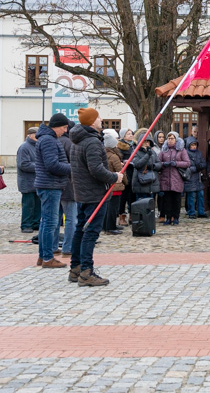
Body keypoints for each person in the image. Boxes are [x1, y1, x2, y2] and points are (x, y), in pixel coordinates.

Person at [68, 108, 123, 286]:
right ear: (92, 121)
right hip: (93, 194)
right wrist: (115, 177)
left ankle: (75, 268)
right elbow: (96, 169)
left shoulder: (78, 139)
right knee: (90, 232)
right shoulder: (91, 141)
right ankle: (86, 272)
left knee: (80, 229)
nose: (101, 119)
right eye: (98, 117)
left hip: (83, 192)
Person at [35, 113, 73, 267]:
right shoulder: (49, 140)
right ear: (56, 126)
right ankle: (47, 258)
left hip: (49, 185)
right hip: (50, 185)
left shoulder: (46, 138)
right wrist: (72, 168)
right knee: (50, 223)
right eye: (64, 127)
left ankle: (43, 256)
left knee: (46, 222)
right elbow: (52, 165)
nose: (65, 131)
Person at [158, 131, 189, 225]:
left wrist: (176, 164)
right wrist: (164, 164)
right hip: (166, 179)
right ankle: (168, 217)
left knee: (176, 200)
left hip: (177, 179)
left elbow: (187, 163)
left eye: (172, 138)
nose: (170, 140)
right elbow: (158, 163)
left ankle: (176, 217)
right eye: (169, 138)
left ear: (176, 139)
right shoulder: (164, 150)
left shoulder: (182, 150)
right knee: (167, 200)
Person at [58, 121, 77, 259]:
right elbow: (74, 165)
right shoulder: (69, 144)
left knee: (55, 218)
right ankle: (68, 247)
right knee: (71, 218)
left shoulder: (55, 141)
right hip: (69, 185)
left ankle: (53, 246)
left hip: (55, 185)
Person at [16, 126, 40, 233]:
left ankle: (36, 223)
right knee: (28, 205)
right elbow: (23, 164)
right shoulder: (24, 147)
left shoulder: (38, 146)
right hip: (27, 182)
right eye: (36, 134)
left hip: (37, 181)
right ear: (30, 135)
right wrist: (40, 166)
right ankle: (26, 224)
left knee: (38, 205)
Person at [103, 129, 125, 235]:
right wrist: (125, 181)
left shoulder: (104, 154)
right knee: (113, 208)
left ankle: (107, 225)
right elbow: (119, 171)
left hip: (107, 184)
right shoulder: (114, 156)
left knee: (108, 207)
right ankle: (110, 227)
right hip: (115, 185)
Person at [131, 132, 162, 209]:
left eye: (148, 141)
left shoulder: (153, 152)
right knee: (141, 205)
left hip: (151, 182)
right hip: (140, 182)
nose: (146, 143)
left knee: (150, 204)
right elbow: (137, 164)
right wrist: (147, 155)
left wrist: (153, 166)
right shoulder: (136, 152)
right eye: (144, 141)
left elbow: (159, 163)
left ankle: (149, 219)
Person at [184, 136, 208, 218]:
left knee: (200, 195)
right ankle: (191, 212)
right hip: (190, 178)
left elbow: (204, 163)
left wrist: (199, 166)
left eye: (195, 145)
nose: (194, 146)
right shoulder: (185, 153)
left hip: (198, 178)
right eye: (192, 145)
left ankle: (201, 211)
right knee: (191, 197)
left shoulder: (199, 153)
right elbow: (186, 166)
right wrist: (196, 168)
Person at [117, 128, 136, 226]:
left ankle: (132, 214)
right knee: (123, 196)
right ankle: (122, 215)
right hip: (125, 173)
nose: (131, 135)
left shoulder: (133, 145)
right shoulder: (120, 146)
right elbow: (119, 158)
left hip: (133, 173)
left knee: (132, 196)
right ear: (123, 135)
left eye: (131, 133)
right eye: (128, 134)